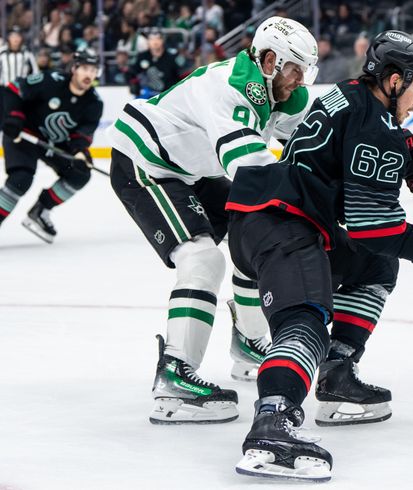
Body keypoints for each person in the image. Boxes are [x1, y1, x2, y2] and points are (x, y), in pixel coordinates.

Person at [226, 30, 413, 482]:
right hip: (284, 222)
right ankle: (273, 423)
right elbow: (376, 226)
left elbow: (354, 171)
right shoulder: (376, 125)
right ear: (393, 81)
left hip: (271, 216)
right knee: (305, 318)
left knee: (375, 265)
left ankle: (335, 373)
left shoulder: (349, 95)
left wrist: (406, 145)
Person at [108, 16, 319, 424]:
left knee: (258, 229)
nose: (301, 80)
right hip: (146, 163)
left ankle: (248, 342)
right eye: (296, 69)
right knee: (203, 259)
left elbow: (310, 146)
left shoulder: (279, 89)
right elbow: (251, 170)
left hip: (191, 170)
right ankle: (174, 375)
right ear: (271, 59)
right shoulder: (232, 86)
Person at [0, 48, 102, 243]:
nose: (89, 74)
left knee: (80, 174)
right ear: (74, 68)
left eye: (93, 70)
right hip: (24, 135)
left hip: (53, 144)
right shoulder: (51, 81)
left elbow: (81, 135)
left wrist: (80, 151)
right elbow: (13, 89)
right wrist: (14, 116)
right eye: (85, 69)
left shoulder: (94, 103)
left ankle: (40, 211)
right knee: (21, 179)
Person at [126, 28, 185, 98]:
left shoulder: (172, 57)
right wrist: (133, 83)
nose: (155, 42)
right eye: (152, 39)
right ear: (148, 41)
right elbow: (132, 72)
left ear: (162, 40)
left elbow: (182, 74)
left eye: (158, 39)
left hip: (167, 95)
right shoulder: (142, 57)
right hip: (147, 95)